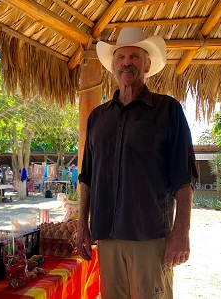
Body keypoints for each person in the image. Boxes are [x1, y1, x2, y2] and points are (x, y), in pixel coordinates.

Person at [76, 26, 198, 299]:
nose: (127, 62)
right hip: (106, 234)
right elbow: (87, 177)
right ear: (113, 66)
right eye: (120, 57)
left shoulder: (168, 110)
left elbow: (184, 177)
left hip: (149, 234)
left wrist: (181, 233)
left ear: (147, 64)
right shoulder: (97, 117)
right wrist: (82, 226)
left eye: (134, 56)